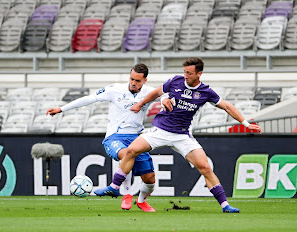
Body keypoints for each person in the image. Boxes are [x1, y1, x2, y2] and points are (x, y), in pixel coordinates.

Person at [95, 57, 262, 213]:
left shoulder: (206, 92)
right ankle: (114, 187)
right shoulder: (175, 81)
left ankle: (225, 205)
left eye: (189, 73)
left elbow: (226, 106)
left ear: (199, 74)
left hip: (182, 136)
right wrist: (140, 103)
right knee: (131, 150)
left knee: (205, 167)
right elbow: (156, 93)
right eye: (184, 72)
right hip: (160, 131)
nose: (186, 76)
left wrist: (245, 123)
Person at [46, 64, 166, 212]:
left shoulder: (148, 92)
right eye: (131, 79)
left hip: (136, 138)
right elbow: (90, 99)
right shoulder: (115, 89)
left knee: (150, 179)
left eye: (138, 81)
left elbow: (165, 94)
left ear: (145, 81)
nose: (133, 83)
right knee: (127, 154)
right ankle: (126, 194)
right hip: (115, 137)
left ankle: (141, 201)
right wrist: (62, 109)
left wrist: (166, 100)